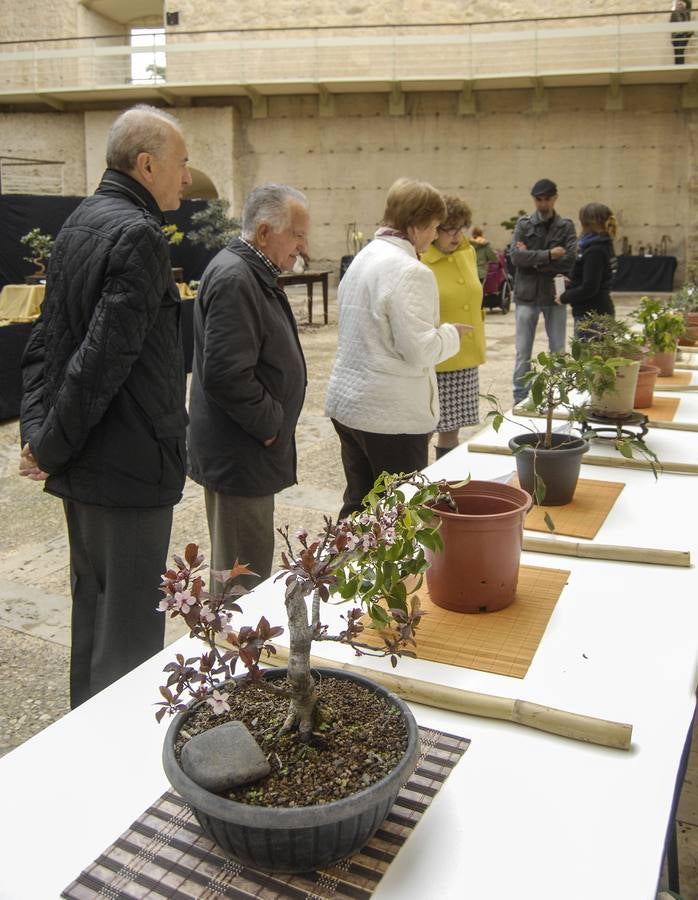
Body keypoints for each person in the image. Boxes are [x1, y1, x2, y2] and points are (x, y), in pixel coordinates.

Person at [19, 104, 192, 708]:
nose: (187, 178)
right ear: (146, 165)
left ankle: (82, 748)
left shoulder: (80, 223)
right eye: (181, 164)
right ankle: (115, 769)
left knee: (92, 614)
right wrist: (48, 444)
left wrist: (41, 437)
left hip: (91, 465)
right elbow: (97, 364)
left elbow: (46, 342)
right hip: (128, 469)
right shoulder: (137, 235)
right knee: (126, 637)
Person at [187, 184, 308, 588]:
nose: (302, 245)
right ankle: (234, 648)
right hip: (241, 453)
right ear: (262, 233)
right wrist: (271, 425)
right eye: (295, 233)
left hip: (247, 452)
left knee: (246, 562)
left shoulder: (251, 272)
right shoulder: (237, 278)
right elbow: (225, 373)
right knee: (242, 576)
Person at [325, 177, 467, 519]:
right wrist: (451, 335)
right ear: (416, 226)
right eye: (433, 227)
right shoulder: (410, 271)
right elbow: (419, 351)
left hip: (350, 406)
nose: (434, 236)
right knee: (401, 516)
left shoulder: (362, 259)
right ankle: (391, 575)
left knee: (359, 506)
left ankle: (346, 571)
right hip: (391, 418)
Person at [422, 197, 483, 459]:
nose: (457, 235)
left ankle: (444, 486)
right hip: (438, 359)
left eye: (462, 227)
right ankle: (413, 483)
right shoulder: (421, 262)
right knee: (424, 429)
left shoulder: (467, 253)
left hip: (465, 357)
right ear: (434, 229)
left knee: (452, 430)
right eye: (450, 229)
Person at [510, 178, 577, 404]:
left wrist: (533, 259)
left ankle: (557, 395)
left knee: (558, 350)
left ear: (555, 198)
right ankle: (520, 395)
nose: (543, 204)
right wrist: (548, 256)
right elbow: (516, 257)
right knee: (523, 352)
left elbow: (569, 260)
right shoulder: (524, 224)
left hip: (554, 295)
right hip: (526, 296)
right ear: (534, 199)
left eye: (547, 199)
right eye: (539, 199)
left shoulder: (566, 226)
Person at [558, 202, 618, 336]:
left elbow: (590, 287)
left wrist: (564, 297)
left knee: (588, 357)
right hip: (597, 311)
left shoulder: (595, 250)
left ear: (587, 223)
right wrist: (572, 282)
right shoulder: (602, 244)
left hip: (592, 316)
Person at [671, 0, 692, 65]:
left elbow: (689, 2)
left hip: (684, 35)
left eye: (681, 4)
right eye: (678, 4)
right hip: (676, 36)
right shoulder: (674, 13)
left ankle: (679, 65)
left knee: (680, 51)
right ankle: (678, 66)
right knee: (678, 52)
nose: (680, 5)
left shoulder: (686, 12)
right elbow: (672, 25)